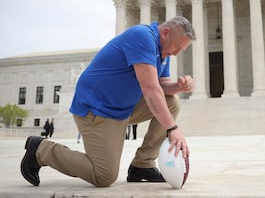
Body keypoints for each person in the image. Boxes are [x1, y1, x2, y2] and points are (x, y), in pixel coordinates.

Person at [21, 16, 196, 187]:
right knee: (103, 176)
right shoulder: (142, 37)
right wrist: (172, 128)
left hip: (122, 108)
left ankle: (142, 165)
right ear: (165, 32)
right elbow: (150, 88)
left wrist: (178, 86)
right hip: (96, 109)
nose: (176, 53)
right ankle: (41, 149)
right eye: (177, 47)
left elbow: (162, 85)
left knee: (172, 102)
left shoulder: (162, 52)